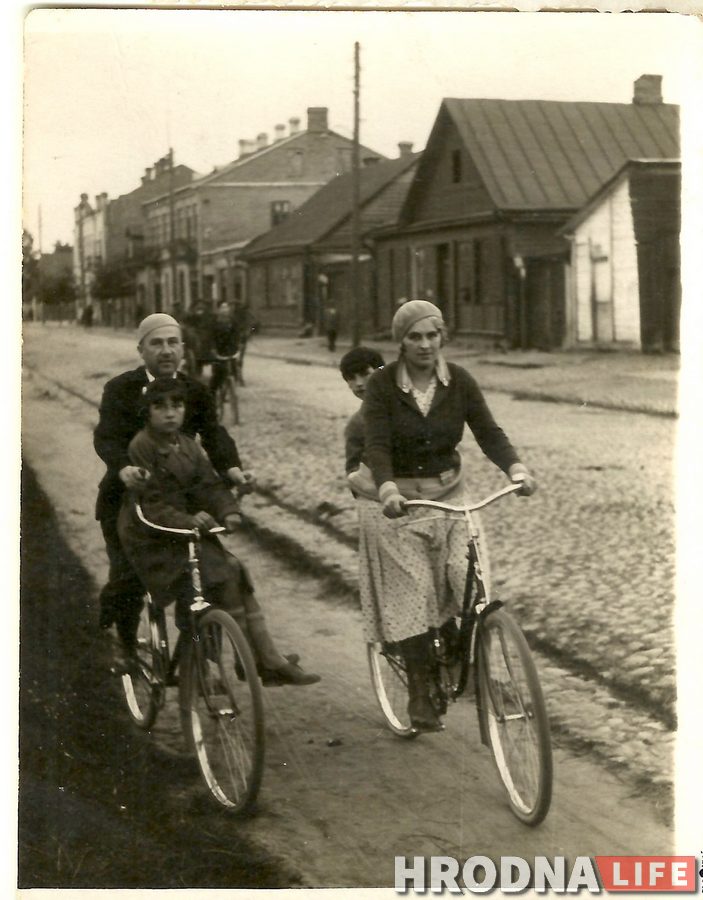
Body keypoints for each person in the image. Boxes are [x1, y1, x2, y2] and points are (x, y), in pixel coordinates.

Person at [358, 300, 536, 732]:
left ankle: (460, 654)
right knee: (415, 589)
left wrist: (515, 468)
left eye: (432, 335)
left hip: (450, 495)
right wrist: (386, 488)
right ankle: (420, 689)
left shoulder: (459, 381)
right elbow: (376, 445)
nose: (424, 345)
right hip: (398, 501)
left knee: (466, 576)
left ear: (443, 338)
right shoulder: (382, 386)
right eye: (414, 337)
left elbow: (488, 431)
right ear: (400, 342)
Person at [93, 313, 304, 677]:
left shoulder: (194, 390)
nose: (166, 351)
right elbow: (107, 437)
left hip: (182, 505)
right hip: (130, 499)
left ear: (183, 348)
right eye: (156, 344)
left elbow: (214, 434)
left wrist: (232, 469)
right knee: (127, 578)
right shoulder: (121, 389)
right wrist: (121, 467)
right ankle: (127, 649)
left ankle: (210, 658)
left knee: (212, 573)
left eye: (173, 343)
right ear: (141, 349)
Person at [117, 379, 320, 686]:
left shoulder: (189, 446)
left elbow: (208, 485)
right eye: (160, 407)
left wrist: (229, 510)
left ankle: (262, 656)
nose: (170, 414)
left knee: (234, 569)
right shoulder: (141, 447)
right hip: (153, 537)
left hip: (185, 532)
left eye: (177, 405)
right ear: (147, 412)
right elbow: (151, 504)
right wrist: (189, 519)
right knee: (211, 576)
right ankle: (230, 662)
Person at [338, 346, 385, 487]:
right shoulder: (357, 425)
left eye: (365, 374)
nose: (359, 383)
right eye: (351, 378)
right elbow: (353, 472)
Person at [209, 300, 240, 398]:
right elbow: (210, 337)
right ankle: (211, 395)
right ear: (218, 309)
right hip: (218, 350)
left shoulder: (233, 321)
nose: (225, 310)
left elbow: (236, 335)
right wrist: (213, 348)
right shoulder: (214, 322)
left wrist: (237, 347)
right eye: (222, 307)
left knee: (234, 370)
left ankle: (231, 390)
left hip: (230, 350)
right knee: (217, 375)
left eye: (226, 307)